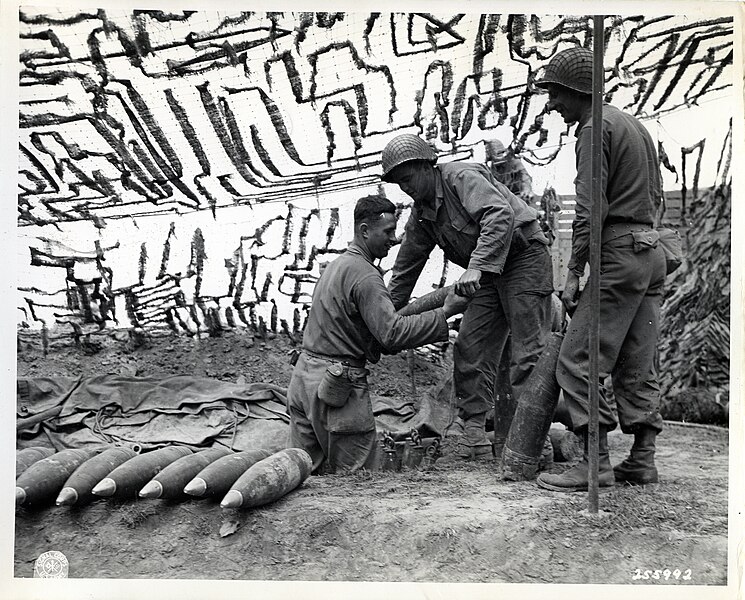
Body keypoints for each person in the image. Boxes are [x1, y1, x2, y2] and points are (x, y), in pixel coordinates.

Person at [534, 47, 667, 492]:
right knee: (637, 358)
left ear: (575, 92)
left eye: (554, 93)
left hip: (619, 252)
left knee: (577, 359)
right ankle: (642, 460)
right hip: (650, 254)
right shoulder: (633, 124)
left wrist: (573, 272)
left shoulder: (593, 130)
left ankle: (595, 465)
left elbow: (591, 209)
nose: (551, 104)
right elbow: (657, 197)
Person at [380, 134, 555, 460]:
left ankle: (534, 445)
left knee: (527, 353)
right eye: (399, 184)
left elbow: (499, 215)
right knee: (470, 346)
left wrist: (476, 268)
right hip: (488, 272)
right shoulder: (422, 214)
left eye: (407, 179)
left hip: (523, 258)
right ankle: (474, 434)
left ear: (425, 166)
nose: (406, 188)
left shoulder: (459, 176)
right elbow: (405, 272)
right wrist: (383, 318)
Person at [287, 194, 468, 474]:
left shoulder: (337, 266)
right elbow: (391, 335)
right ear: (364, 231)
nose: (393, 239)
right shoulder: (366, 276)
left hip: (304, 382)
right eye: (387, 232)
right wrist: (444, 313)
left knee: (306, 475)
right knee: (358, 479)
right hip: (337, 390)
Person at [485, 139, 534, 205]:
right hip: (502, 200)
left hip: (517, 198)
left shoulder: (514, 162)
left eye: (502, 152)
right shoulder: (492, 168)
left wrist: (526, 189)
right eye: (498, 153)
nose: (501, 156)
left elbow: (525, 176)